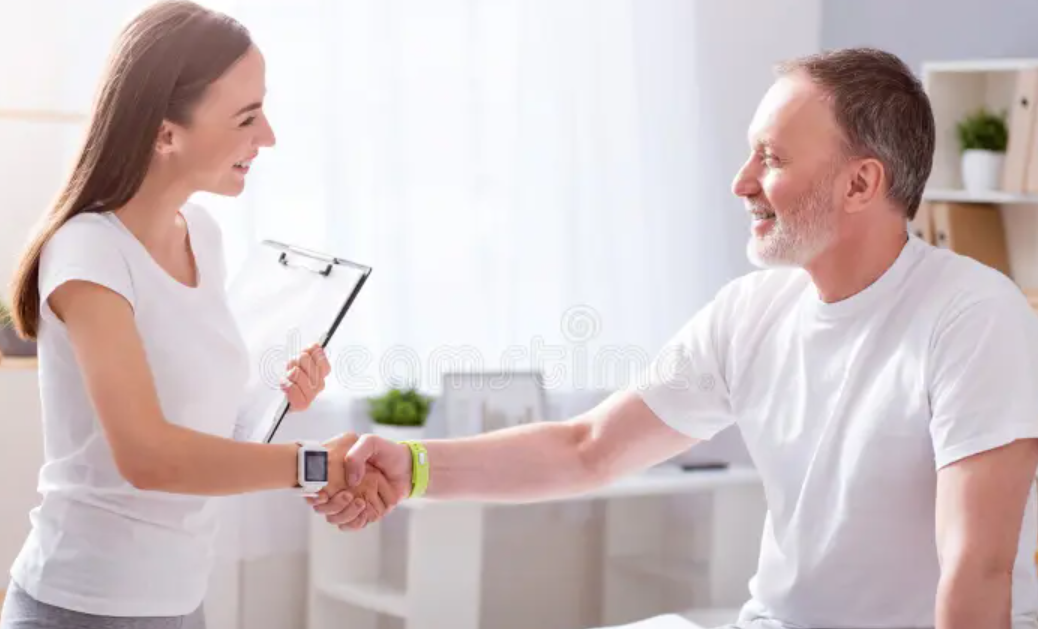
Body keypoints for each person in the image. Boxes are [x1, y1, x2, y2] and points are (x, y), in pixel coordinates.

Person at [313, 47, 1038, 629]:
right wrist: (413, 465)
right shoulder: (751, 311)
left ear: (860, 184)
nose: (740, 182)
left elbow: (976, 570)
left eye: (773, 158)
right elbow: (588, 447)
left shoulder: (972, 316)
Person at [1, 3, 391, 628]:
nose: (267, 137)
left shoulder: (201, 235)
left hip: (181, 605)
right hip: (79, 607)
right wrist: (315, 462)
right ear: (165, 133)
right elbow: (149, 457)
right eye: (246, 117)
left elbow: (206, 436)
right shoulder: (87, 251)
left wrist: (276, 401)